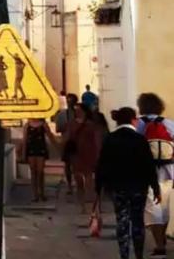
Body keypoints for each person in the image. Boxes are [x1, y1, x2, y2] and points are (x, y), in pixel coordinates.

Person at [95, 107, 161, 259]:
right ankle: (138, 255)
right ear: (133, 120)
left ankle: (124, 254)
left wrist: (98, 188)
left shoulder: (110, 138)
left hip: (118, 187)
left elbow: (102, 165)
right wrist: (155, 187)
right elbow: (149, 165)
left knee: (122, 220)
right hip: (138, 187)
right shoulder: (140, 139)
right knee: (138, 220)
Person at [137, 93, 174, 257]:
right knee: (165, 207)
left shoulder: (139, 125)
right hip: (169, 172)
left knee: (152, 209)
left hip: (147, 173)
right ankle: (163, 237)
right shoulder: (169, 124)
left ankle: (160, 245)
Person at [65, 102, 101, 210]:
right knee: (78, 179)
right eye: (75, 110)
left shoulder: (91, 124)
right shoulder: (71, 124)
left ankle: (87, 202)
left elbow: (97, 139)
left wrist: (99, 153)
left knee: (88, 177)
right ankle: (82, 202)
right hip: (76, 153)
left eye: (79, 110)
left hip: (89, 152)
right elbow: (67, 138)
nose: (77, 112)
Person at [23, 118, 57, 202]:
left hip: (40, 149)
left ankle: (41, 193)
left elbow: (50, 136)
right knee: (33, 172)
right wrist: (23, 153)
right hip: (31, 150)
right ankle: (35, 195)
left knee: (40, 172)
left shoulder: (43, 124)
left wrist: (58, 146)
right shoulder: (27, 125)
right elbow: (25, 140)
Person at [57, 93, 79, 194]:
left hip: (78, 141)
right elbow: (58, 129)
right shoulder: (62, 114)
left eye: (71, 101)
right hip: (66, 141)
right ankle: (70, 185)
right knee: (67, 165)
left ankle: (78, 184)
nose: (69, 102)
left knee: (78, 165)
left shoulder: (79, 113)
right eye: (68, 100)